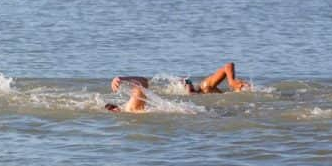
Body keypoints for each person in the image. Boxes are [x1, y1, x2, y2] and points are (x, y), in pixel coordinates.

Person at [105, 61, 250, 113]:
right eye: (188, 85)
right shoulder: (206, 88)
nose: (189, 87)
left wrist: (232, 82)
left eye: (188, 84)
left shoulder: (206, 86)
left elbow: (143, 82)